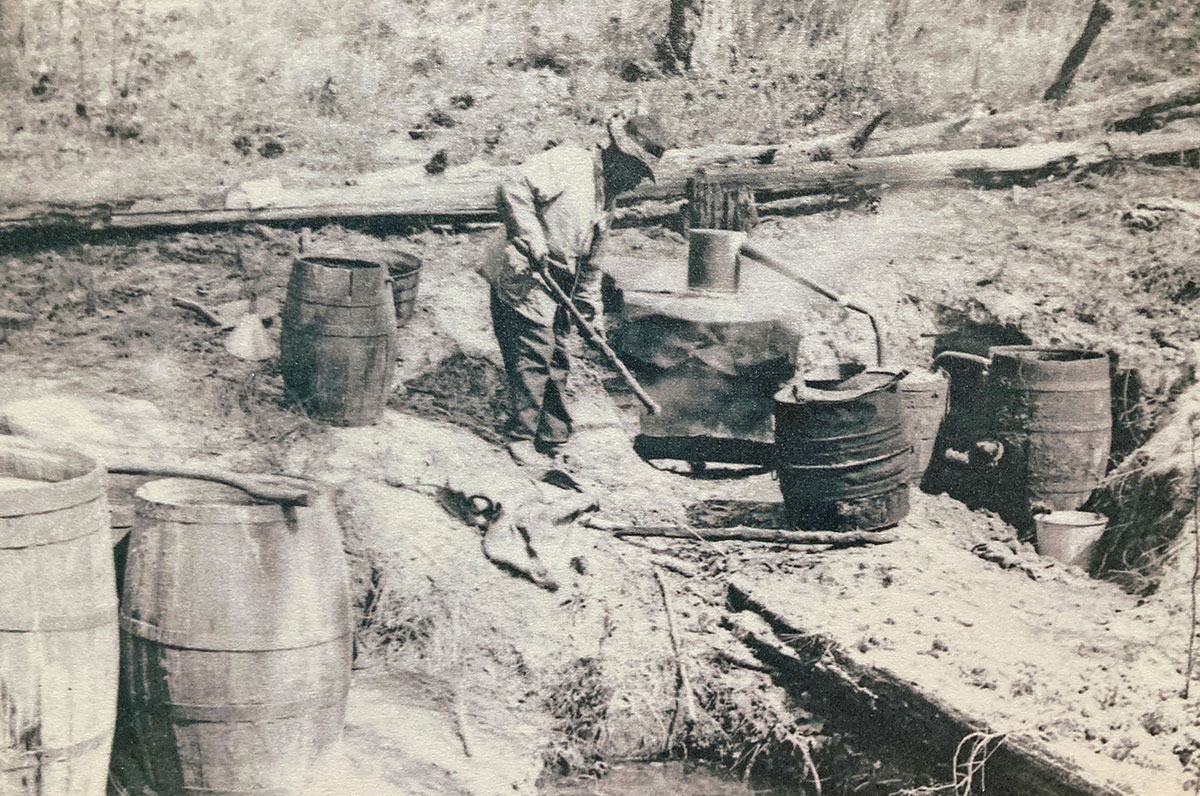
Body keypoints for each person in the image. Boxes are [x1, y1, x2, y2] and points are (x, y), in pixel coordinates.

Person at [483, 113, 668, 466]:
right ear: (618, 156)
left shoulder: (606, 199)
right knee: (534, 355)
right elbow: (512, 186)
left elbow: (591, 266)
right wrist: (532, 236)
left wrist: (590, 315)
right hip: (522, 272)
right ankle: (521, 436)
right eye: (636, 172)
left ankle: (553, 435)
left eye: (643, 176)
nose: (636, 183)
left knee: (559, 355)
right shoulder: (570, 163)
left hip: (556, 284)